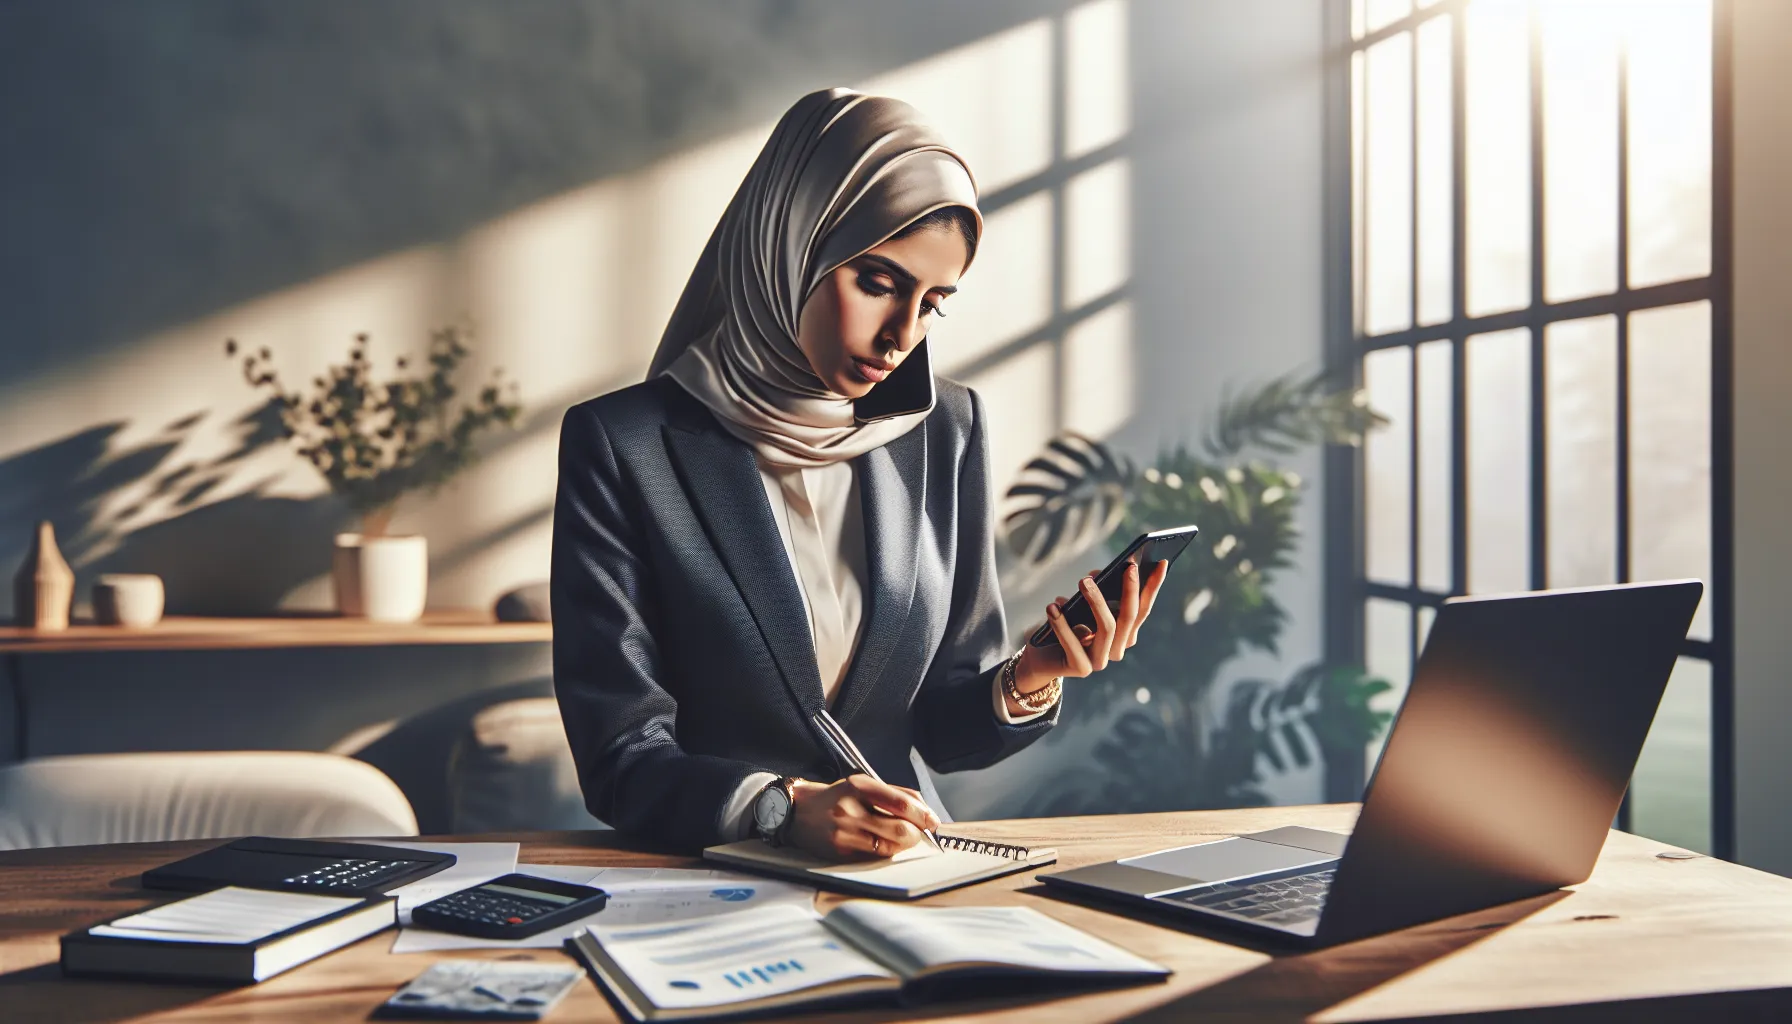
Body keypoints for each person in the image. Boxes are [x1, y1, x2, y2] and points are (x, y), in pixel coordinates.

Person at [551, 87, 1167, 860]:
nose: (902, 335)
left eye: (933, 302)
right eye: (876, 283)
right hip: (706, 880)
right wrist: (779, 808)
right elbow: (620, 756)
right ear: (790, 244)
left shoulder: (946, 429)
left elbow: (943, 730)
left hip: (911, 872)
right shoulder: (624, 444)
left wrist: (1033, 672)